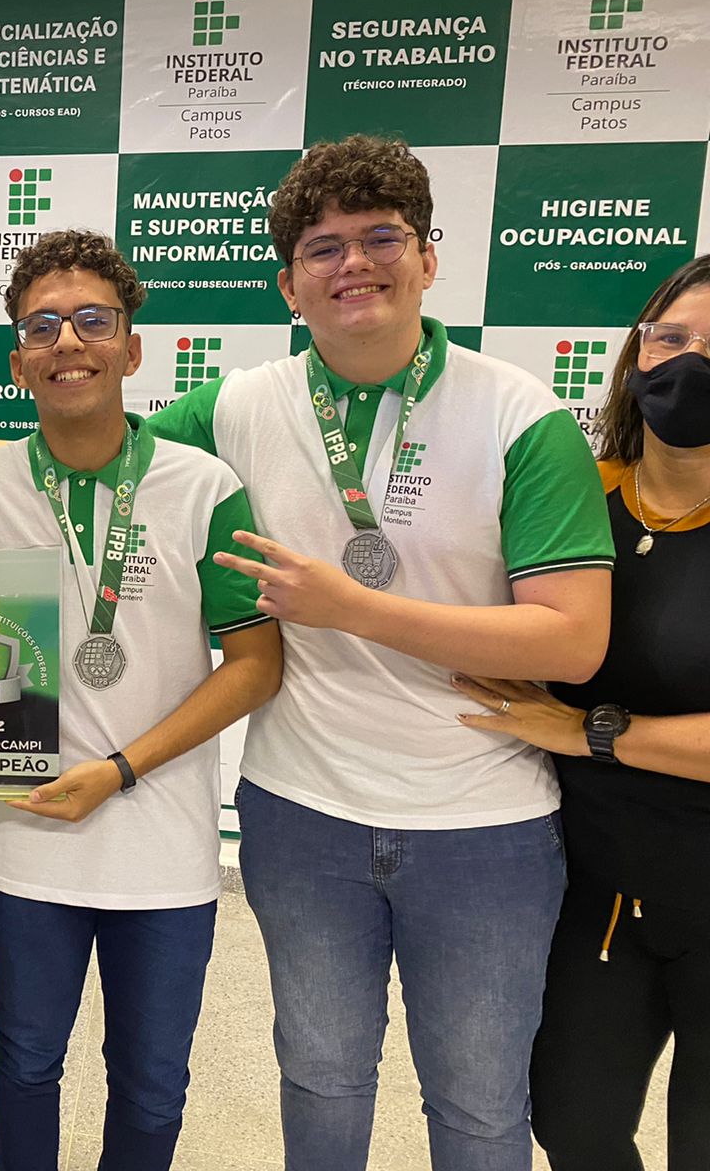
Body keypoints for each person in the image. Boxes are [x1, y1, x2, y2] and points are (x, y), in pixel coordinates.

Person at [147, 134, 616, 1170]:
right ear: (289, 285)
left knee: (478, 1105)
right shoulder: (237, 407)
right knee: (320, 1078)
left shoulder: (521, 417)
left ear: (428, 258)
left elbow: (573, 638)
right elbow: (104, 461)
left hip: (483, 823)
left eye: (380, 238)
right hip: (301, 813)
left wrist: (353, 609)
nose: (353, 263)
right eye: (323, 248)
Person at [0, 229, 282, 1170]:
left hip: (164, 846)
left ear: (131, 349)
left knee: (153, 1081)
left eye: (92, 321)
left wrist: (121, 768)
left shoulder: (204, 487)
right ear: (18, 361)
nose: (67, 342)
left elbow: (255, 664)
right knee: (25, 1059)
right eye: (42, 327)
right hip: (28, 841)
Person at [452, 254, 710, 1171]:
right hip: (598, 888)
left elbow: (574, 716)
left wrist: (589, 732)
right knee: (574, 1127)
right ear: (636, 353)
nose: (691, 362)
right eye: (672, 338)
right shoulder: (578, 496)